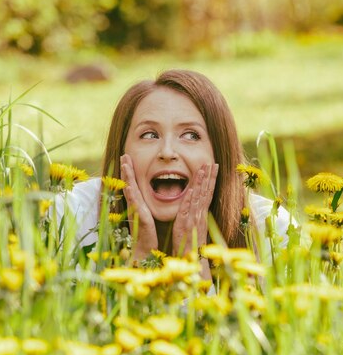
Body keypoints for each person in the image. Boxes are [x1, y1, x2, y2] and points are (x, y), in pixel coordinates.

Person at [54, 69, 292, 282]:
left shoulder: (271, 231)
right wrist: (140, 258)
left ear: (219, 153)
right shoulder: (71, 215)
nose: (167, 152)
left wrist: (193, 260)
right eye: (149, 135)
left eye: (190, 135)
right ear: (121, 151)